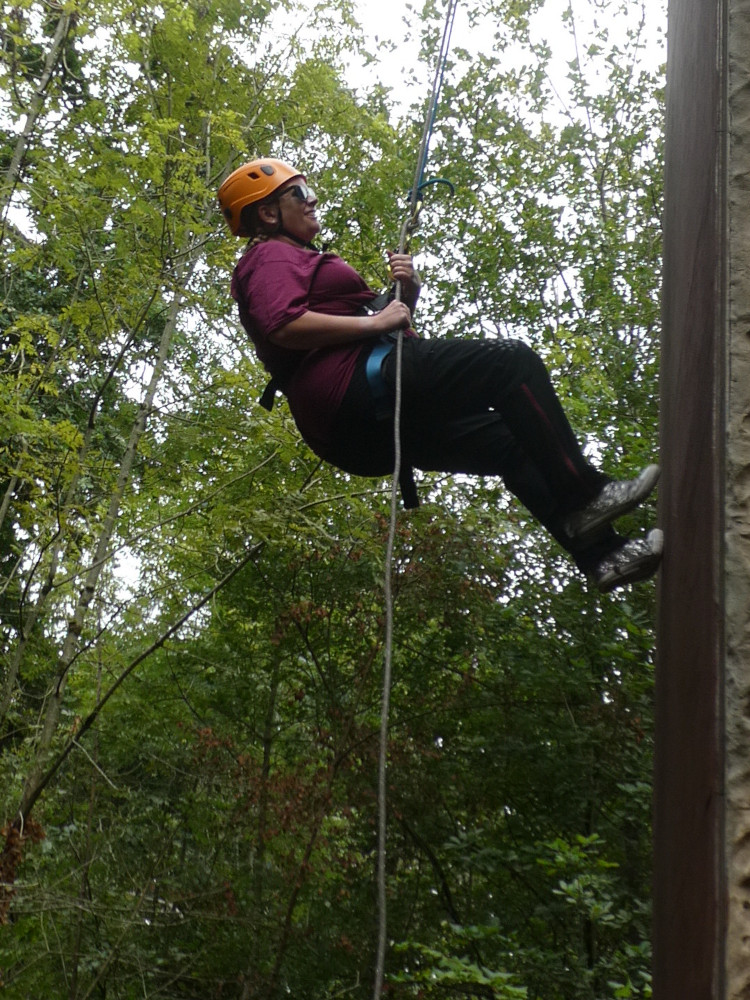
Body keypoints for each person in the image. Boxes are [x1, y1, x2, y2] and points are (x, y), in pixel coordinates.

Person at [218, 158, 663, 593]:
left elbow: (362, 318)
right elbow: (284, 324)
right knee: (510, 364)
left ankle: (605, 557)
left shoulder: (294, 258)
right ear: (269, 212)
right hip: (354, 388)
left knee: (510, 442)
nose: (312, 200)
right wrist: (375, 323)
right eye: (300, 193)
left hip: (355, 421)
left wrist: (403, 294)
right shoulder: (268, 256)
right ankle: (586, 494)